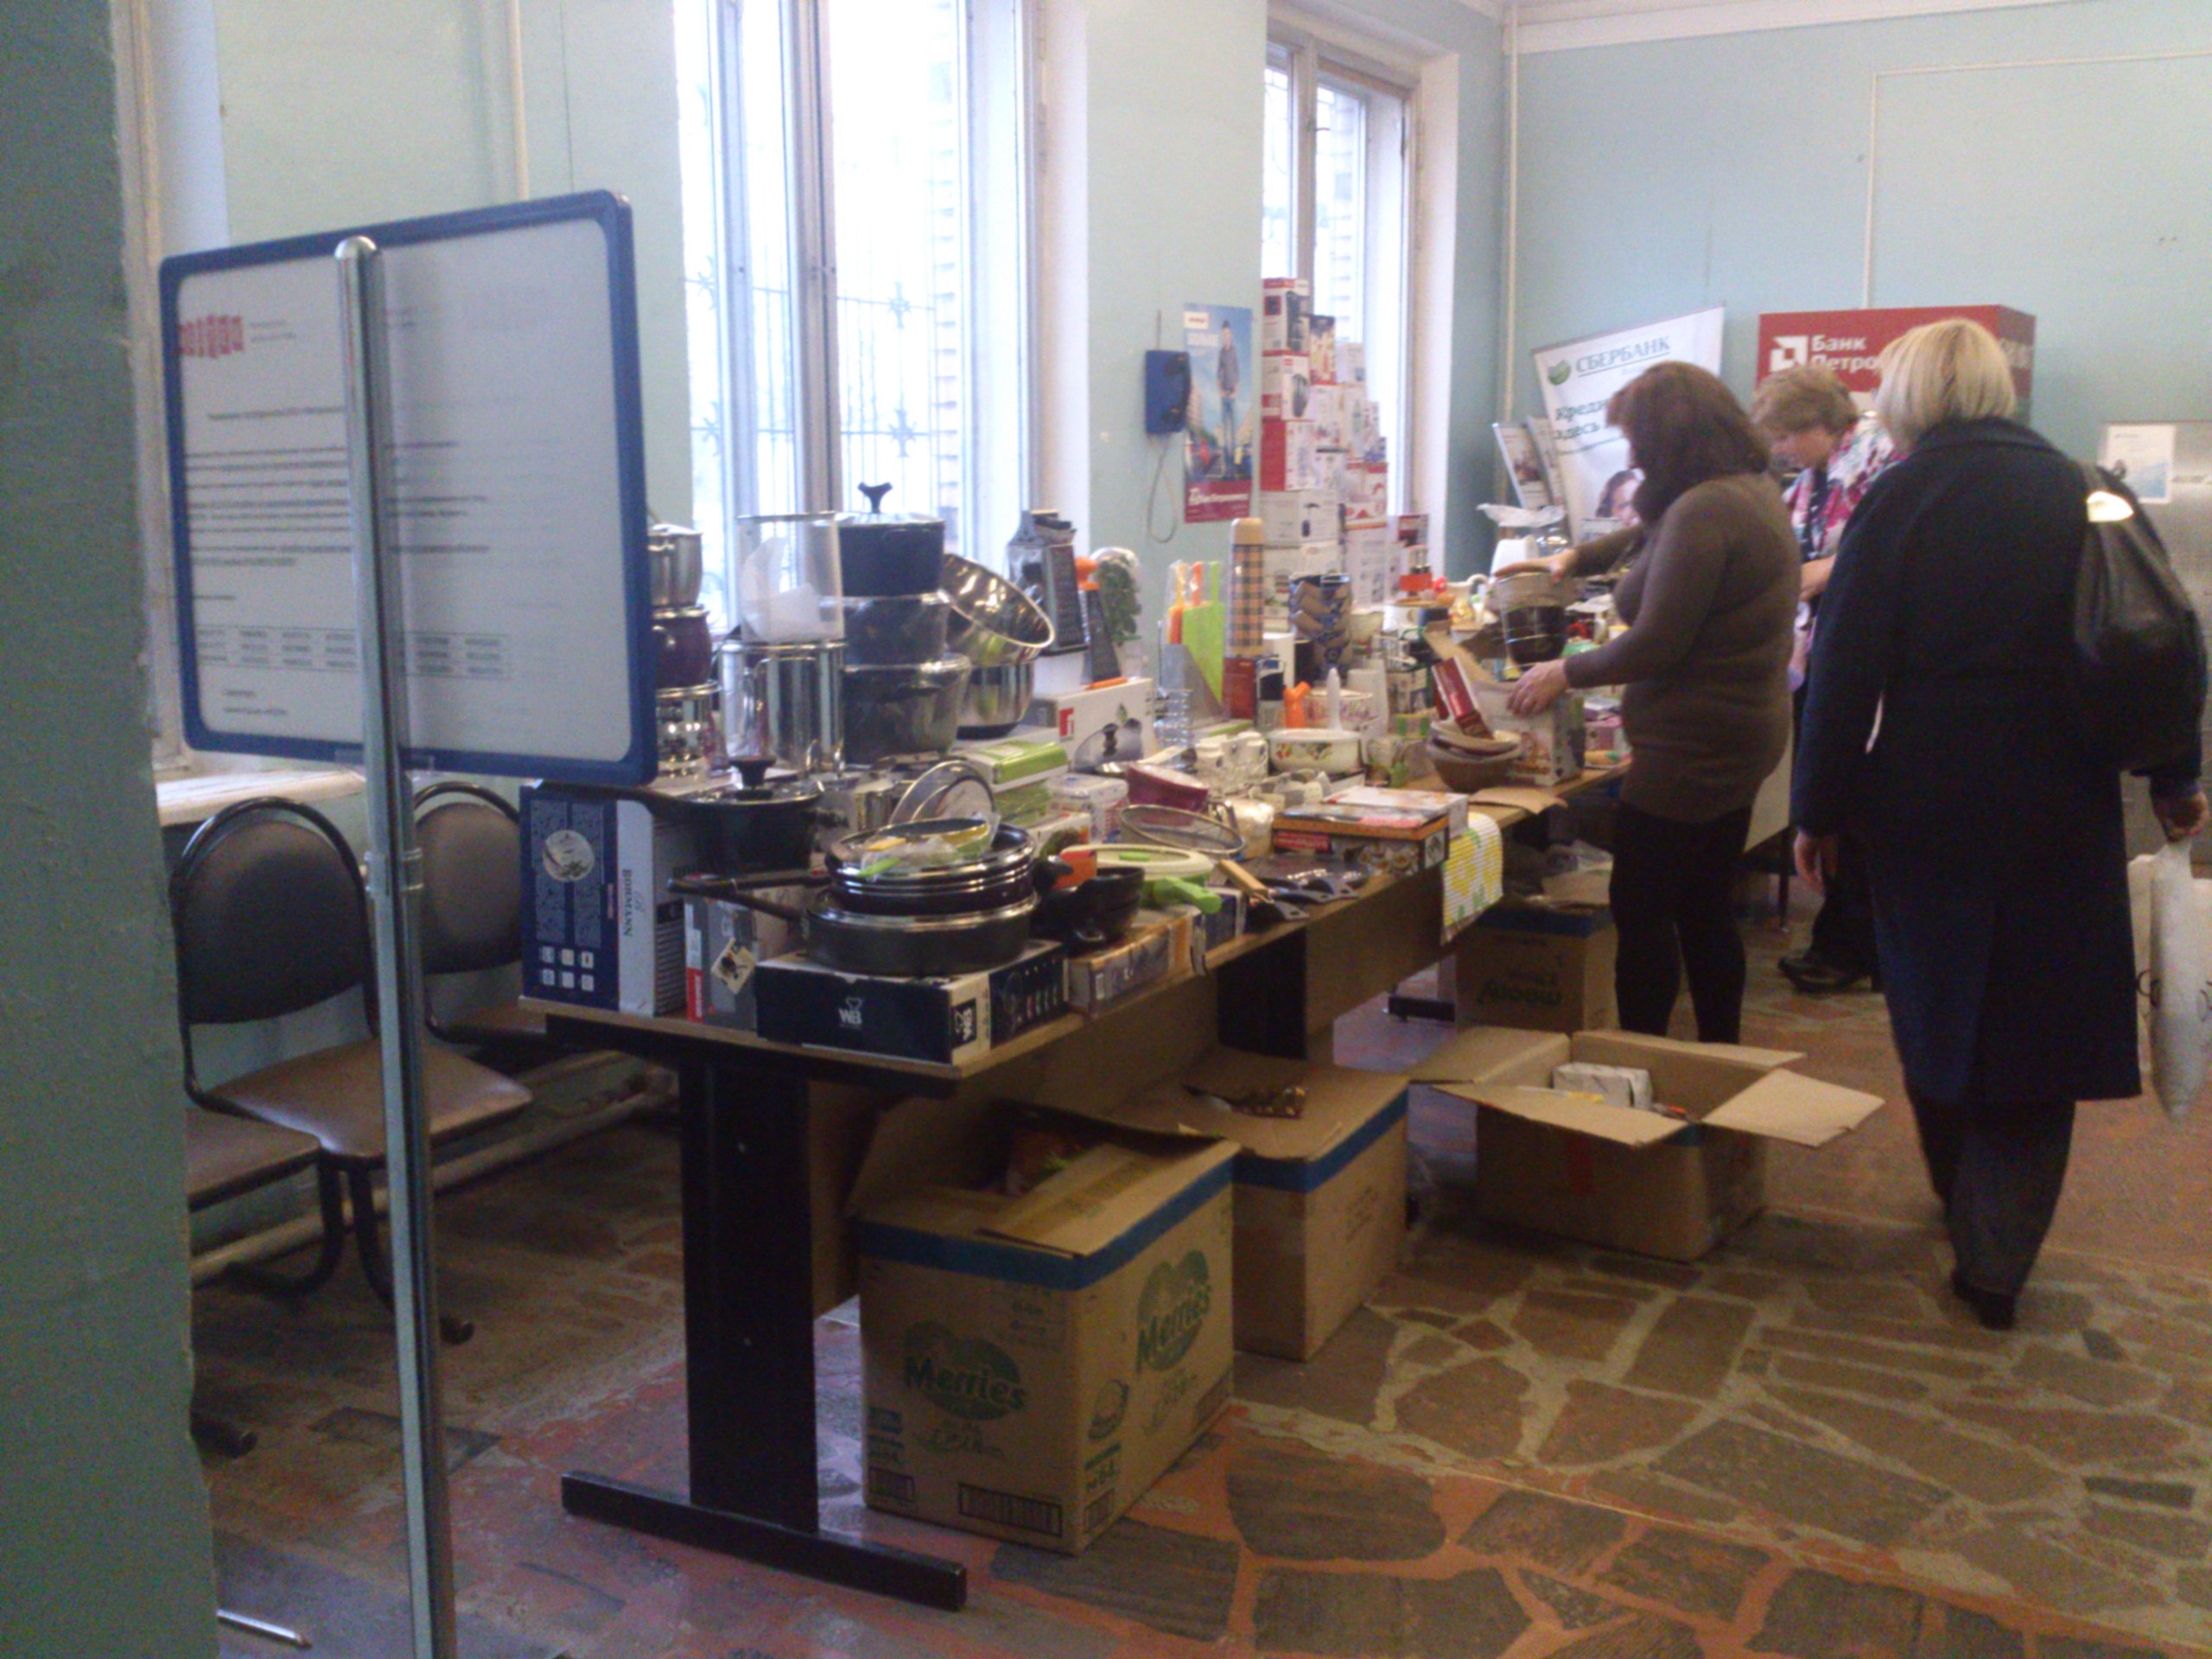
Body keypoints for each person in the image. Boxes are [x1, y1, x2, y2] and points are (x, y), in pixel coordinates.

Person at [1793, 318, 2208, 1329]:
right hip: (2061, 797)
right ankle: (1997, 1255)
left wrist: (1818, 809)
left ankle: (1961, 1195)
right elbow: (2162, 638)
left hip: (1926, 795)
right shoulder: (2086, 488)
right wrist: (2174, 774)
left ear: (1907, 399)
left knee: (1934, 999)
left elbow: (1843, 665)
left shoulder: (1900, 499)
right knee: (2040, 1019)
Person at [1503, 363, 1798, 1044]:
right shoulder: (1744, 489)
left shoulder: (1706, 509)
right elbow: (1649, 535)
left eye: (1638, 441)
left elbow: (1656, 644)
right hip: (1742, 731)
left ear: (1671, 442)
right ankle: (1718, 1054)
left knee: (1641, 908)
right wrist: (1575, 558)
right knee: (1703, 904)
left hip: (1694, 748)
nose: (1632, 457)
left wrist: (1564, 672)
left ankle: (1640, 1059)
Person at [1749, 364, 1896, 995]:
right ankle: (1843, 939)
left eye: (1786, 435)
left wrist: (1822, 572)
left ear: (1820, 424)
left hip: (1866, 658)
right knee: (1829, 800)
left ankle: (1852, 945)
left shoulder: (1879, 462)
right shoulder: (1811, 478)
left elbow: (1884, 547)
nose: (1780, 449)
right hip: (1818, 649)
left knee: (1855, 805)